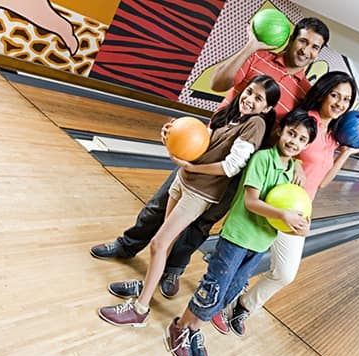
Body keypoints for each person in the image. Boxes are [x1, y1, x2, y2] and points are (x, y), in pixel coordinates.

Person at [89, 16, 329, 299]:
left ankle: (172, 269)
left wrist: (298, 161)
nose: (306, 50)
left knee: (201, 224)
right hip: (208, 146)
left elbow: (297, 132)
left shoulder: (303, 92)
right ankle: (128, 245)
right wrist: (250, 46)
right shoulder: (260, 58)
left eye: (315, 47)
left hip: (243, 166)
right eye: (303, 40)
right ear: (292, 38)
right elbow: (218, 82)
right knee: (163, 202)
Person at [96, 75, 281, 327]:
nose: (249, 100)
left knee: (158, 244)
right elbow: (198, 141)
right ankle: (146, 290)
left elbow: (230, 167)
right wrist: (172, 136)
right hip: (184, 181)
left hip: (199, 193)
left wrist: (190, 166)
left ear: (267, 108)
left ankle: (140, 310)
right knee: (165, 244)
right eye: (249, 92)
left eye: (259, 99)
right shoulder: (231, 114)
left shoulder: (256, 125)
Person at [211, 71, 359, 337]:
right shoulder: (308, 121)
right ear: (324, 93)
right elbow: (278, 148)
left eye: (346, 99)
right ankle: (215, 303)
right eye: (335, 95)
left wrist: (344, 154)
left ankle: (243, 305)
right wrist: (296, 166)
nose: (340, 102)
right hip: (277, 202)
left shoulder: (332, 137)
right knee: (243, 260)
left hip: (300, 210)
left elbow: (323, 182)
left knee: (284, 273)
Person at [164, 110, 318, 356]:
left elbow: (296, 210)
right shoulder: (262, 159)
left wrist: (302, 226)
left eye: (301, 139)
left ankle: (194, 329)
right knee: (213, 287)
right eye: (291, 133)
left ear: (306, 145)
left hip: (260, 242)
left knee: (229, 291)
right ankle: (181, 326)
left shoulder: (292, 171)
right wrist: (283, 215)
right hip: (237, 236)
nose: (294, 141)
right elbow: (251, 202)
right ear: (280, 130)